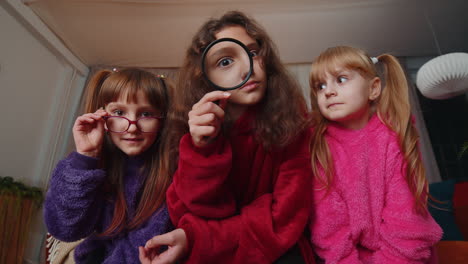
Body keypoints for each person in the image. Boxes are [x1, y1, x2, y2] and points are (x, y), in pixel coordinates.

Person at [140, 11, 315, 264]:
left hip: (280, 251)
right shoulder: (192, 128)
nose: (249, 67)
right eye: (225, 62)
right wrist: (201, 149)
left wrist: (197, 238)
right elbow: (187, 211)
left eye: (253, 53)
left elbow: (286, 216)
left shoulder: (295, 122)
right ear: (205, 79)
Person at [308, 46, 442, 263]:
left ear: (373, 89)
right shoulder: (320, 148)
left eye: (341, 79)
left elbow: (408, 221)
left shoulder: (393, 137)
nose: (328, 91)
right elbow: (328, 228)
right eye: (320, 86)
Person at [44, 68, 183, 263]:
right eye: (119, 112)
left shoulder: (174, 170)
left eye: (146, 114)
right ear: (102, 115)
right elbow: (64, 229)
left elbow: (145, 245)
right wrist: (86, 157)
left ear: (162, 121)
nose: (133, 126)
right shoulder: (88, 166)